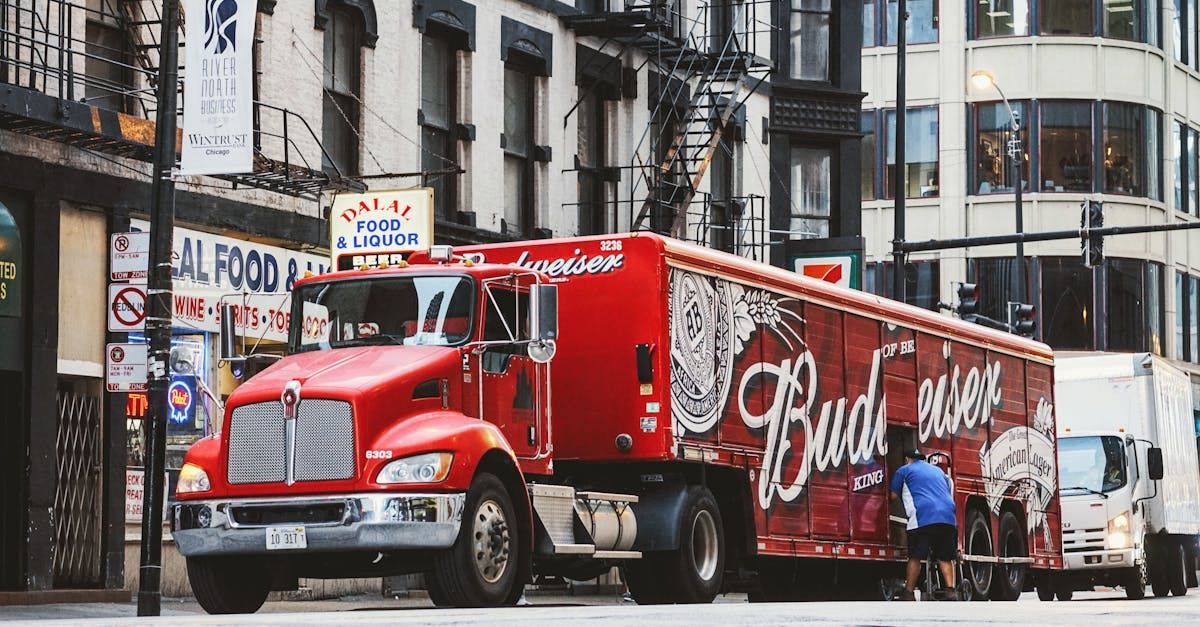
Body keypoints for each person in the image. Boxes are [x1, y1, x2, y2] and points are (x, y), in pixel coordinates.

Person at [890, 448, 958, 601]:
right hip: (947, 517)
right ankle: (950, 590)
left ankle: (908, 593)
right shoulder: (939, 472)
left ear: (907, 459)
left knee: (915, 557)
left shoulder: (904, 470)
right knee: (945, 556)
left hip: (922, 517)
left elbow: (892, 495)